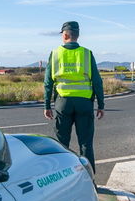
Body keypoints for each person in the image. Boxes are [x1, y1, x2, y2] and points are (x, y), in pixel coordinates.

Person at [44, 21, 104, 172]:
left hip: (62, 103)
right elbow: (97, 81)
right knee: (85, 144)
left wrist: (46, 105)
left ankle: (63, 176)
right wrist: (101, 105)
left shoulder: (55, 53)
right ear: (78, 36)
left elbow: (48, 83)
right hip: (84, 103)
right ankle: (90, 180)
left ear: (64, 35)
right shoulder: (86, 53)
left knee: (62, 144)